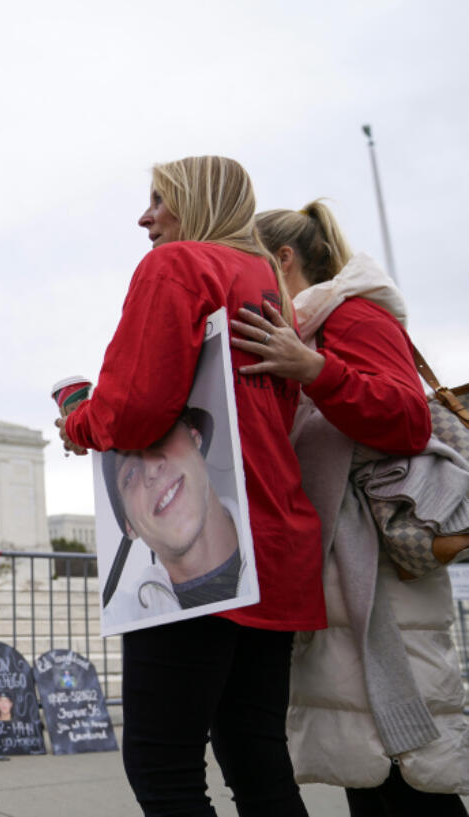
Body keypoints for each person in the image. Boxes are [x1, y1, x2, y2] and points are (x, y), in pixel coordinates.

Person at [58, 156, 324, 816]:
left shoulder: (175, 266)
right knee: (258, 757)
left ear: (199, 203)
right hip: (274, 539)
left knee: (162, 762)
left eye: (160, 199)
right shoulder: (267, 283)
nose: (145, 216)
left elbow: (139, 408)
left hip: (201, 556)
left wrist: (79, 421)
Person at [230, 200, 469, 815]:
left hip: (379, 563)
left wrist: (316, 369)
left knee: (408, 764)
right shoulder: (307, 325)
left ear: (282, 260)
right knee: (369, 759)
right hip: (347, 560)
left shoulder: (352, 314)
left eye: (250, 261)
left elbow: (407, 418)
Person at [102, 407, 242, 617]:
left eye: (161, 436)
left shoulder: (282, 546)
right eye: (130, 473)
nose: (150, 469)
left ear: (196, 439)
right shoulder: (121, 617)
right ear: (129, 526)